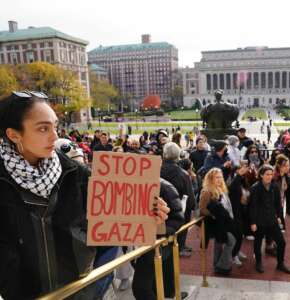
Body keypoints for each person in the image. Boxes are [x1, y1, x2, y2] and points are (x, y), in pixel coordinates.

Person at [0, 91, 171, 300]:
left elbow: (106, 232)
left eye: (55, 125)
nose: (54, 136)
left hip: (82, 292)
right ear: (13, 134)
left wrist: (148, 214)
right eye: (43, 128)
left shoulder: (78, 174)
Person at [248, 165, 290, 274]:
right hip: (259, 221)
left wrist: (279, 217)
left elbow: (278, 204)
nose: (269, 176)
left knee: (281, 242)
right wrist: (253, 222)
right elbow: (252, 207)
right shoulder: (255, 188)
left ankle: (280, 263)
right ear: (261, 175)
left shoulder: (274, 187)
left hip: (272, 220)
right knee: (258, 243)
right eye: (267, 174)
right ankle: (258, 262)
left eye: (271, 174)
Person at [199, 168, 238, 275]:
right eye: (217, 177)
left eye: (221, 177)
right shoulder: (206, 191)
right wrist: (213, 215)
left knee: (219, 243)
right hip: (216, 222)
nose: (219, 179)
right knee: (230, 241)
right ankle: (222, 265)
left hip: (224, 221)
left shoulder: (222, 189)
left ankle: (218, 265)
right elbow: (202, 209)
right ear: (211, 178)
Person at [160, 142, 195, 257]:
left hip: (160, 210)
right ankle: (180, 248)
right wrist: (191, 207)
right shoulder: (183, 174)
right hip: (178, 211)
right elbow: (190, 198)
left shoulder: (156, 170)